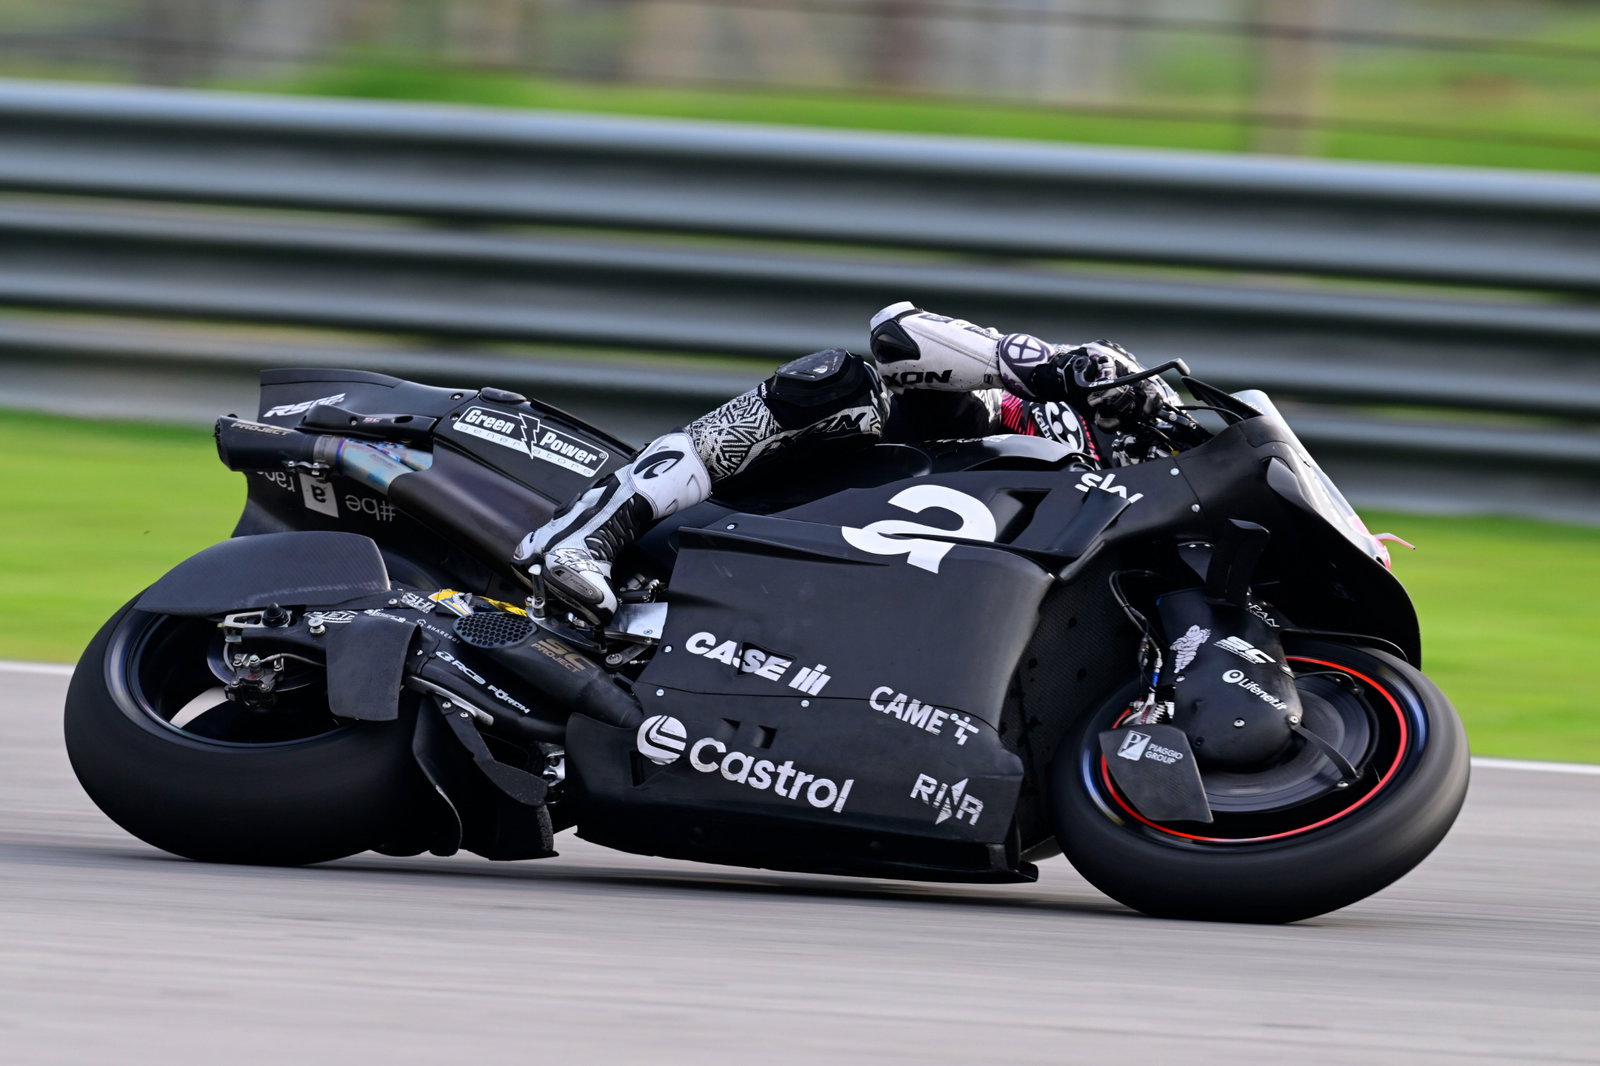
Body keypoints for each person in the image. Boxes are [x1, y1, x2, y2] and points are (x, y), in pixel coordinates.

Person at [514, 301, 1201, 624]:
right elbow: (896, 332)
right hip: (762, 517)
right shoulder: (1002, 418)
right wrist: (1053, 365)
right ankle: (589, 528)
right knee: (839, 381)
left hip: (843, 611)